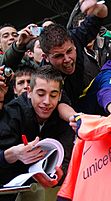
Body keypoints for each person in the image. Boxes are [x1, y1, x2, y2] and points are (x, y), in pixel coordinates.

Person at [0, 65, 75, 201]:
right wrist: (14, 155)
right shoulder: (13, 113)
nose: (46, 102)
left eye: (53, 95)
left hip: (47, 188)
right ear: (29, 91)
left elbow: (66, 158)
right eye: (40, 94)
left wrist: (58, 174)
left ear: (60, 96)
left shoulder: (63, 117)